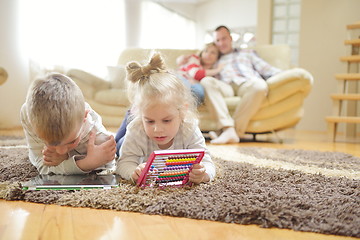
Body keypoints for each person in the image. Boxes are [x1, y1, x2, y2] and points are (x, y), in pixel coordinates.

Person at [116, 53, 216, 184]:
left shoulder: (189, 128)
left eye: (167, 120)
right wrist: (133, 172)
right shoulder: (137, 129)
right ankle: (125, 125)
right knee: (118, 144)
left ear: (182, 111)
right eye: (150, 121)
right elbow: (123, 164)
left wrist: (204, 174)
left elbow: (207, 162)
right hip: (130, 138)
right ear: (141, 116)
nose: (157, 129)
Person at [114, 43, 221, 155]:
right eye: (206, 51)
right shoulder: (192, 60)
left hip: (182, 87)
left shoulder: (215, 71)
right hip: (169, 84)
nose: (158, 129)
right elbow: (126, 159)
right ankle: (134, 111)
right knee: (118, 147)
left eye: (213, 53)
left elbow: (203, 158)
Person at [20, 73, 117, 175]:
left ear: (85, 117)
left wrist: (69, 158)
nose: (61, 151)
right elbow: (42, 167)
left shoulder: (97, 135)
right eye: (51, 144)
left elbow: (110, 166)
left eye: (71, 141)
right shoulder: (29, 116)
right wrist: (85, 163)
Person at [200, 25, 282, 144]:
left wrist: (288, 75)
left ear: (231, 38)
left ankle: (231, 132)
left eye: (224, 38)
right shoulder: (214, 58)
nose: (221, 43)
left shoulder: (247, 53)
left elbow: (267, 69)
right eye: (217, 40)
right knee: (206, 81)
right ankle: (227, 128)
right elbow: (197, 67)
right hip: (225, 86)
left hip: (247, 83)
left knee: (260, 85)